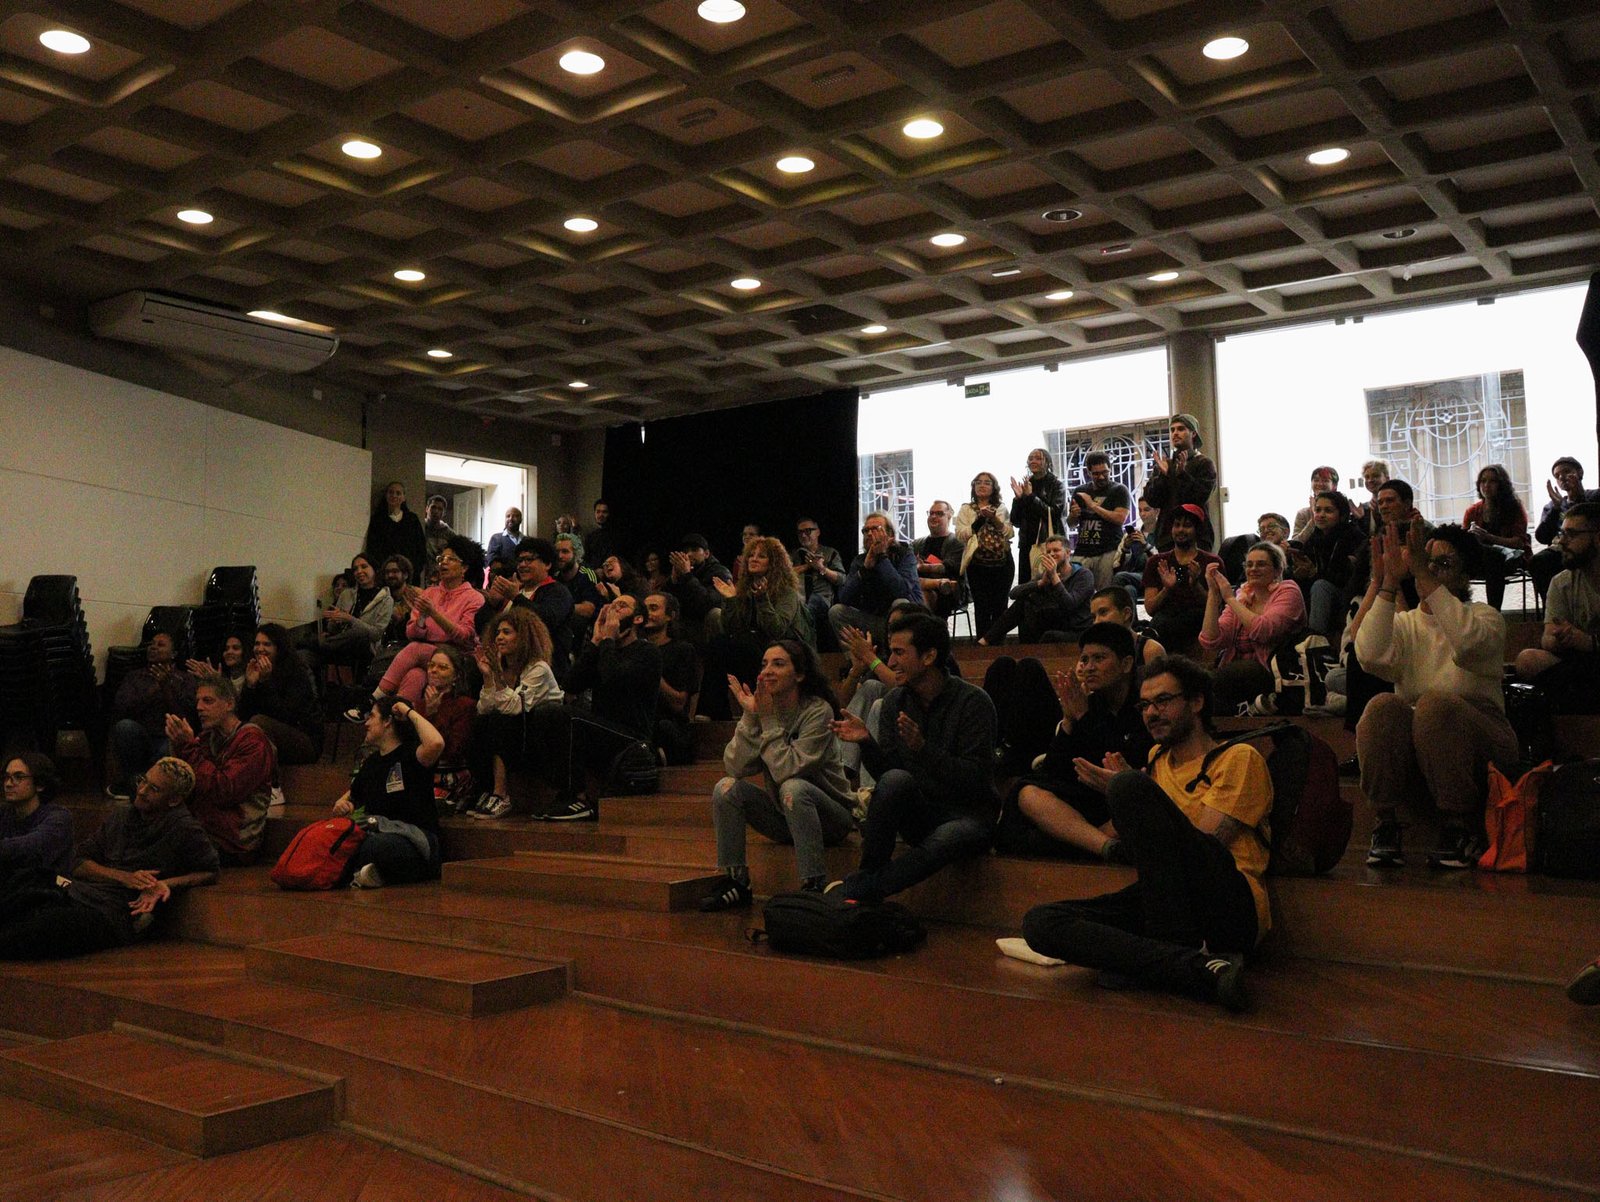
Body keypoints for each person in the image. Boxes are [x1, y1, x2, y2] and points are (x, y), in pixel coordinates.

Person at [1020, 656, 1271, 1011]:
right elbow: (1128, 839)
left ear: (1197, 702)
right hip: (1163, 901)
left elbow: (1208, 844)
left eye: (1163, 701)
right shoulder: (1156, 759)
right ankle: (1193, 967)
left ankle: (1153, 961)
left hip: (1228, 902)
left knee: (1127, 788)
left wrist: (1133, 794)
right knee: (1041, 923)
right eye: (1145, 704)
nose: (1151, 713)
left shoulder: (1238, 757)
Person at [1356, 521, 1518, 869]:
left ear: (1463, 577)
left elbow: (1468, 645)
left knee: (1434, 705)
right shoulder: (1407, 622)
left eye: (1443, 564)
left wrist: (1426, 583)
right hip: (1424, 736)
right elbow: (1369, 656)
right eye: (1424, 560)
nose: (1427, 568)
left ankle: (1459, 828)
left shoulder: (1485, 616)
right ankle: (1387, 825)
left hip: (1484, 737)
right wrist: (1387, 583)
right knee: (1382, 706)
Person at [829, 612, 997, 904]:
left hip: (967, 815)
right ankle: (867, 876)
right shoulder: (895, 701)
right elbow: (891, 775)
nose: (890, 663)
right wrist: (867, 743)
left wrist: (924, 749)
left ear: (929, 656)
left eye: (898, 653)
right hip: (921, 812)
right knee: (894, 780)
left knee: (948, 836)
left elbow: (976, 780)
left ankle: (864, 889)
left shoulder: (973, 702)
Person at [0, 757, 218, 960]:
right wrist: (123, 877)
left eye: (154, 789)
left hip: (113, 912)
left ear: (174, 800)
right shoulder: (123, 816)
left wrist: (165, 884)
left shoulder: (185, 829)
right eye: (143, 781)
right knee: (24, 884)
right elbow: (78, 862)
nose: (141, 790)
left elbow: (210, 871)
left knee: (42, 927)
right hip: (77, 890)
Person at [702, 640, 857, 908]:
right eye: (764, 664)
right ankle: (737, 882)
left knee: (793, 788)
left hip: (831, 818)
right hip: (785, 816)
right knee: (725, 788)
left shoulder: (818, 711)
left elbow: (787, 771)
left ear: (799, 674)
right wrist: (751, 717)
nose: (767, 671)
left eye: (778, 663)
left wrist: (767, 721)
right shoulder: (765, 710)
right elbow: (736, 767)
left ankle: (814, 885)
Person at [993, 624, 1153, 859]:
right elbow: (1053, 770)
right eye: (1085, 659)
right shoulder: (1089, 703)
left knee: (1034, 840)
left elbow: (1121, 759)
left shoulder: (1146, 704)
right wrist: (1069, 722)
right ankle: (1104, 846)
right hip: (1083, 797)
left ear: (1127, 664)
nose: (1089, 668)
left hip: (1122, 798)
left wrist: (1083, 717)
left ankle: (1086, 842)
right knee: (1027, 793)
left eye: (1099, 658)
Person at [543, 594, 662, 822]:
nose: (613, 610)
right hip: (601, 729)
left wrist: (607, 641)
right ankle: (564, 794)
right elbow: (571, 684)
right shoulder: (604, 649)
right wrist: (596, 642)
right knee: (546, 713)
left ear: (637, 619)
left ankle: (577, 797)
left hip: (631, 736)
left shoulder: (647, 652)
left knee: (565, 717)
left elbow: (612, 678)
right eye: (612, 605)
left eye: (622, 606)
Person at [353, 534, 484, 713]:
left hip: (458, 655)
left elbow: (463, 636)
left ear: (464, 568)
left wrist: (434, 614)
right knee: (415, 675)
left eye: (451, 559)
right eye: (441, 558)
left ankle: (373, 699)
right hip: (428, 653)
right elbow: (412, 633)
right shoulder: (429, 593)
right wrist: (422, 618)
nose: (443, 563)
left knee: (416, 648)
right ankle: (399, 724)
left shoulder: (474, 597)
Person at [331, 698, 445, 888]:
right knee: (346, 840)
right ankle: (368, 875)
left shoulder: (411, 754)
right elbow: (349, 796)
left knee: (376, 847)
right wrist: (341, 804)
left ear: (387, 722)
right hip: (379, 831)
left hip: (413, 839)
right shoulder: (371, 763)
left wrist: (408, 711)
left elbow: (436, 743)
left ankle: (363, 874)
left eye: (372, 716)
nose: (366, 723)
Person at [168, 676, 277, 865]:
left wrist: (187, 748)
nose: (199, 707)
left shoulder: (253, 741)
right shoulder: (208, 738)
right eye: (198, 701)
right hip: (205, 829)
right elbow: (186, 787)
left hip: (233, 842)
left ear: (229, 704)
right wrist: (177, 749)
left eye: (208, 701)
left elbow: (223, 791)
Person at [468, 609, 564, 820]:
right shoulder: (500, 665)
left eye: (507, 632)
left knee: (500, 720)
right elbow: (483, 708)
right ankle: (482, 788)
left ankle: (501, 794)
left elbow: (514, 708)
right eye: (498, 632)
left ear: (524, 637)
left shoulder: (538, 668)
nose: (499, 637)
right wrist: (487, 676)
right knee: (481, 721)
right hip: (516, 731)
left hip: (543, 737)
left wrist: (498, 678)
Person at [1199, 542, 1307, 714]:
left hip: (1273, 674)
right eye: (1249, 564)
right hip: (1234, 673)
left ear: (1277, 570)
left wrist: (1229, 598)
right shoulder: (1243, 597)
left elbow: (1263, 631)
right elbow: (1211, 640)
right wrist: (1213, 594)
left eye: (1261, 564)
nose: (1253, 569)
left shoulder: (1289, 591)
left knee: (1236, 672)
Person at [1514, 502, 1600, 712]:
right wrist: (1556, 639)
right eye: (1562, 533)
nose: (1562, 541)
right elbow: (1548, 638)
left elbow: (1587, 645)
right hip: (1581, 664)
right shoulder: (1561, 583)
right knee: (1527, 660)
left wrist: (1589, 642)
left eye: (1571, 534)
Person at [106, 632, 196, 801]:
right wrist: (154, 689)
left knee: (166, 751)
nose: (153, 647)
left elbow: (186, 715)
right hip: (141, 736)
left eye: (161, 645)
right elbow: (122, 709)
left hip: (167, 737)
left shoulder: (185, 679)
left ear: (173, 654)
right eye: (152, 644)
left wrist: (167, 687)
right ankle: (135, 783)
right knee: (124, 727)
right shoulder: (135, 676)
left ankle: (145, 787)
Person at [481, 537, 574, 682]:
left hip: (544, 670)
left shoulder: (558, 591)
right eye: (519, 560)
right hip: (505, 668)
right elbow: (482, 627)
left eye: (529, 560)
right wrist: (492, 604)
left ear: (547, 564)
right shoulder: (514, 590)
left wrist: (516, 597)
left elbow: (546, 620)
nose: (522, 565)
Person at [828, 511, 921, 649]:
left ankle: (899, 655)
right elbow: (844, 597)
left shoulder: (904, 554)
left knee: (900, 603)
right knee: (836, 611)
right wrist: (865, 569)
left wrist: (882, 558)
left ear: (889, 536)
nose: (869, 534)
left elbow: (901, 590)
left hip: (908, 623)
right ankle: (855, 663)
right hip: (876, 621)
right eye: (866, 530)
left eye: (876, 529)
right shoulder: (859, 560)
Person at [978, 535, 1094, 645]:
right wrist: (1040, 583)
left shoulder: (1083, 575)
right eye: (1048, 552)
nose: (1051, 554)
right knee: (1024, 603)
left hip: (1075, 628)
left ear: (1068, 553)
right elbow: (1013, 594)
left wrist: (1055, 578)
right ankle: (986, 641)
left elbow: (1070, 604)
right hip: (1056, 621)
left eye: (1056, 550)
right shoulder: (1046, 575)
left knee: (1049, 635)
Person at [237, 623, 323, 764]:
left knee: (258, 723)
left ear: (279, 648)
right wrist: (250, 686)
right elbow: (243, 716)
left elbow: (285, 716)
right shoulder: (255, 670)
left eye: (267, 644)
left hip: (304, 738)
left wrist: (265, 683)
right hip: (272, 735)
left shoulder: (296, 672)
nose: (260, 649)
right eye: (257, 644)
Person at [1141, 504, 1222, 650]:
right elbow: (1150, 608)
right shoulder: (1156, 562)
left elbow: (1218, 607)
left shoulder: (1212, 562)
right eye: (1176, 525)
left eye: (1187, 525)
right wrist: (1167, 589)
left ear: (1197, 530)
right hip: (1164, 624)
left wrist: (1196, 585)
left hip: (1200, 623)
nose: (1180, 530)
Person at [1287, 491, 1363, 639]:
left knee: (1320, 586)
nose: (1321, 515)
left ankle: (1315, 640)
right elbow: (1308, 570)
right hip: (1320, 593)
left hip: (1347, 594)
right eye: (1318, 510)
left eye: (1328, 510)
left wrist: (1314, 573)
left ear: (1341, 515)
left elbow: (1347, 579)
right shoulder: (1315, 537)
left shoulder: (1353, 537)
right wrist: (1299, 574)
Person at [416, 644, 477, 812]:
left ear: (456, 675)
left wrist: (434, 715)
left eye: (442, 667)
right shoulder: (420, 705)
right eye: (431, 665)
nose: (433, 670)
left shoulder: (466, 705)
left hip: (450, 774)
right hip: (423, 772)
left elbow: (452, 751)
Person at [1143, 414, 1217, 550]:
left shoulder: (1205, 463)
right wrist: (1164, 476)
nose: (1175, 433)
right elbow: (1152, 499)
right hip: (1167, 538)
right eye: (1172, 430)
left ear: (1193, 433)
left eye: (1181, 429)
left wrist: (1182, 475)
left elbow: (1199, 497)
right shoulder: (1165, 464)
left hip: (1197, 538)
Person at [643, 591, 701, 765]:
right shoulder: (635, 648)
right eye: (644, 609)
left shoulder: (682, 650)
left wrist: (651, 672)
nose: (648, 614)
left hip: (668, 724)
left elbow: (678, 703)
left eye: (653, 608)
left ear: (670, 616)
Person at [1463, 463, 1531, 610]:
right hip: (1479, 561)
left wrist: (1488, 537)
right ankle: (1459, 613)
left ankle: (1494, 611)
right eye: (1483, 481)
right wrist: (1471, 537)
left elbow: (1518, 542)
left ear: (1502, 485)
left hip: (1509, 560)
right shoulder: (1472, 511)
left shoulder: (1514, 509)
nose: (1487, 485)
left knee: (1493, 557)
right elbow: (1462, 542)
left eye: (1492, 481)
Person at [1530, 457, 1600, 598]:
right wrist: (1556, 509)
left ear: (1579, 473)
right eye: (1557, 476)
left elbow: (1590, 519)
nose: (1562, 477)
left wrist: (1578, 497)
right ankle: (1550, 606)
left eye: (1566, 472)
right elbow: (1542, 537)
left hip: (1586, 546)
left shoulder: (1595, 496)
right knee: (1537, 561)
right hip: (1559, 549)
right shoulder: (1553, 504)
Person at [956, 471, 1015, 636]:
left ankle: (998, 644)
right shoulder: (966, 509)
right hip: (977, 565)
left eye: (987, 483)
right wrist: (980, 518)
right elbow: (961, 534)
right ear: (973, 487)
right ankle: (982, 646)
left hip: (1002, 564)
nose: (982, 485)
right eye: (978, 482)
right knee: (981, 606)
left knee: (1000, 606)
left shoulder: (1001, 508)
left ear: (994, 488)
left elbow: (1010, 533)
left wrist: (995, 519)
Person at [315, 552, 394, 674]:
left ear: (374, 569)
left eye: (364, 566)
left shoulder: (386, 599)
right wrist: (334, 620)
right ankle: (318, 645)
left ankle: (318, 644)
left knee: (360, 633)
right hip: (340, 645)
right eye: (355, 569)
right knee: (304, 655)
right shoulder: (346, 594)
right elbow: (332, 630)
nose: (359, 571)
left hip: (366, 649)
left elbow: (376, 634)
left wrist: (350, 619)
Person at [2, 753, 74, 876]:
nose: (8, 784)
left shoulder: (58, 817)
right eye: (6, 777)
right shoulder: (4, 812)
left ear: (40, 784)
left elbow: (32, 848)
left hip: (46, 890)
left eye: (18, 777)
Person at [1067, 452, 1132, 588]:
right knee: (1078, 591)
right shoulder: (1080, 491)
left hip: (1108, 550)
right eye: (1096, 474)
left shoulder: (1119, 490)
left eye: (1105, 472)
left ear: (1110, 469)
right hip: (1083, 550)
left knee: (1107, 594)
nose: (1101, 477)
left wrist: (1092, 505)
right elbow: (1071, 524)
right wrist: (1073, 515)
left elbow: (1120, 518)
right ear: (1089, 472)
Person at [1010, 447, 1067, 586]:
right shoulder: (1026, 484)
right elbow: (1015, 521)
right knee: (1026, 586)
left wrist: (1031, 497)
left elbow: (1054, 513)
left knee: (1050, 583)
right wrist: (1018, 500)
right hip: (1026, 544)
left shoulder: (1056, 485)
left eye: (1038, 458)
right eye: (1030, 458)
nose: (1033, 461)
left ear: (1047, 462)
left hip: (1049, 543)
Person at [666, 533, 734, 643]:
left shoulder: (720, 572)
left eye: (694, 550)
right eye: (686, 551)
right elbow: (668, 602)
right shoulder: (683, 572)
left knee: (715, 614)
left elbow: (708, 603)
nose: (689, 554)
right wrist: (673, 580)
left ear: (706, 554)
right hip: (685, 620)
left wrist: (687, 576)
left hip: (704, 622)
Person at [792, 518, 846, 651]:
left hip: (822, 599)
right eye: (800, 532)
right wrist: (807, 566)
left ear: (818, 532)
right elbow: (785, 574)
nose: (804, 535)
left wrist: (821, 568)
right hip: (798, 597)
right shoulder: (794, 555)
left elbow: (841, 579)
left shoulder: (830, 553)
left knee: (809, 607)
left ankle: (809, 654)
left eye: (808, 531)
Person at [363, 481, 428, 579]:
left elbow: (420, 547)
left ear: (403, 497)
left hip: (410, 576)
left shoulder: (412, 519)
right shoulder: (377, 520)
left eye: (398, 493)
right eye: (391, 492)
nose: (394, 495)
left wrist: (414, 570)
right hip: (385, 575)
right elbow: (373, 548)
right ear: (386, 496)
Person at [1087, 586, 1165, 665]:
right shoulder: (1093, 652)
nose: (1096, 622)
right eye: (1093, 617)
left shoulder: (1150, 650)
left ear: (1126, 613)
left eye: (1103, 612)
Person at [914, 500, 965, 617]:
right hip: (919, 587)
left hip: (948, 590)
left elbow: (949, 568)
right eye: (931, 513)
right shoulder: (917, 543)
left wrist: (922, 567)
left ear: (949, 517)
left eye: (939, 514)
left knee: (923, 594)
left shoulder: (957, 542)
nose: (933, 517)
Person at [1109, 497, 1157, 604]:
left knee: (1120, 577)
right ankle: (1131, 620)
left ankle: (1117, 617)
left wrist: (1146, 546)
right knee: (1129, 589)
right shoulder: (1132, 534)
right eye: (1140, 510)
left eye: (1146, 510)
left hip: (1155, 577)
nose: (1142, 514)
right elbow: (1116, 566)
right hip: (1135, 576)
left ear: (1157, 511)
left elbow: (1163, 560)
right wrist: (1125, 548)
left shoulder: (1163, 535)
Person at [1291, 466, 1340, 542]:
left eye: (1325, 481)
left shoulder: (1342, 508)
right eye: (1316, 480)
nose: (1320, 484)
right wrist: (1313, 518)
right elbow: (1295, 543)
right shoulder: (1303, 513)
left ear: (1334, 485)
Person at [422, 494, 455, 577]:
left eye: (440, 509)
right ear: (427, 509)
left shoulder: (449, 533)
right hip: (423, 572)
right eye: (433, 507)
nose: (436, 511)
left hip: (441, 574)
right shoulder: (420, 528)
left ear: (443, 513)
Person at [584, 498, 620, 568]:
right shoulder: (590, 536)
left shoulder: (616, 535)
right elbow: (587, 558)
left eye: (604, 512)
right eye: (598, 512)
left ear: (609, 513)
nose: (601, 515)